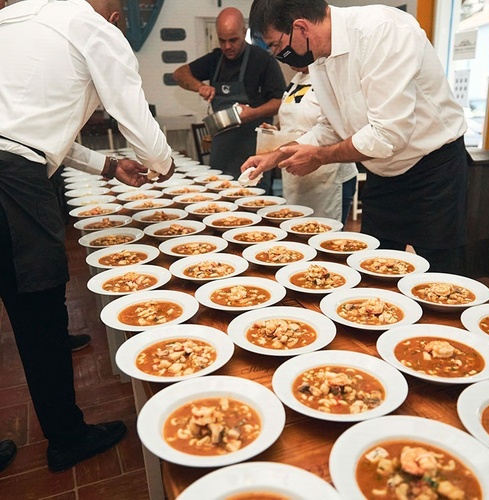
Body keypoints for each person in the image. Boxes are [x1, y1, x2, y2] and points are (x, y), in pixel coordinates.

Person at [0, 0, 174, 473]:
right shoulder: (92, 26)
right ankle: (66, 436)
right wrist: (164, 165)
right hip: (11, 179)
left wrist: (108, 165)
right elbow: (131, 111)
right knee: (38, 309)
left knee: (26, 305)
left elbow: (34, 126)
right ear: (116, 14)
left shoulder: (23, 17)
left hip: (12, 157)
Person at [243, 0, 469, 274]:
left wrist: (320, 157)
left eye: (276, 46)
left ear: (300, 27)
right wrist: (277, 155)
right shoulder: (319, 56)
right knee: (376, 270)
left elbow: (387, 134)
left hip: (433, 172)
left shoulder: (382, 30)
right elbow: (330, 125)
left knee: (439, 280)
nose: (279, 56)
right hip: (382, 173)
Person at [173, 7, 286, 194]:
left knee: (256, 203)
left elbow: (281, 101)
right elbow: (179, 74)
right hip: (221, 151)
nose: (227, 46)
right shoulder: (215, 59)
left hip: (255, 152)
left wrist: (254, 113)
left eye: (233, 40)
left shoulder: (263, 60)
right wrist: (199, 86)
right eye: (222, 40)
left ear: (244, 32)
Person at [272, 66, 357, 224]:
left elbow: (338, 126)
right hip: (296, 175)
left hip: (329, 175)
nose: (279, 53)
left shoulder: (330, 75)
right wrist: (275, 130)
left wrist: (307, 140)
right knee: (296, 231)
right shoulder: (297, 79)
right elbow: (293, 117)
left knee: (325, 235)